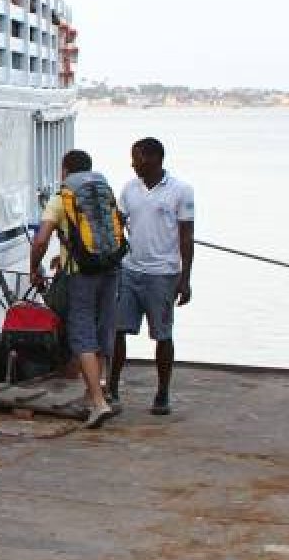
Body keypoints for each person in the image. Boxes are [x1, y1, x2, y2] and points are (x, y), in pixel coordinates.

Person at [30, 149, 119, 428]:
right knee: (103, 328)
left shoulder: (60, 199)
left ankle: (98, 403)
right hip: (111, 268)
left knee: (82, 334)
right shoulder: (103, 193)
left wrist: (35, 267)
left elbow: (41, 239)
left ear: (66, 170)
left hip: (82, 275)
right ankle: (96, 391)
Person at [108, 137, 193, 415]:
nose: (133, 164)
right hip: (130, 270)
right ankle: (112, 386)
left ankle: (162, 392)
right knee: (119, 330)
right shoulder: (129, 189)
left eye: (138, 158)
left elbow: (186, 236)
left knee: (162, 335)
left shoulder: (181, 190)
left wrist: (185, 278)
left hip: (163, 274)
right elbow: (116, 224)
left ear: (154, 158)